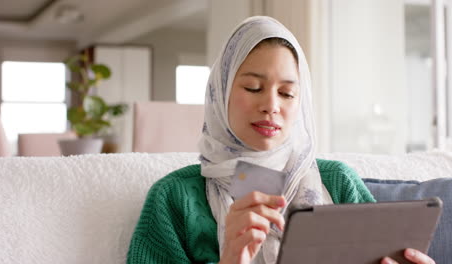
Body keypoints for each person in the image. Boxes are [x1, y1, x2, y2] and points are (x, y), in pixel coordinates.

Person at [127, 16, 435, 264]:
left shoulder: (338, 182)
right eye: (252, 87)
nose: (271, 106)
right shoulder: (174, 199)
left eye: (287, 93)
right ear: (220, 94)